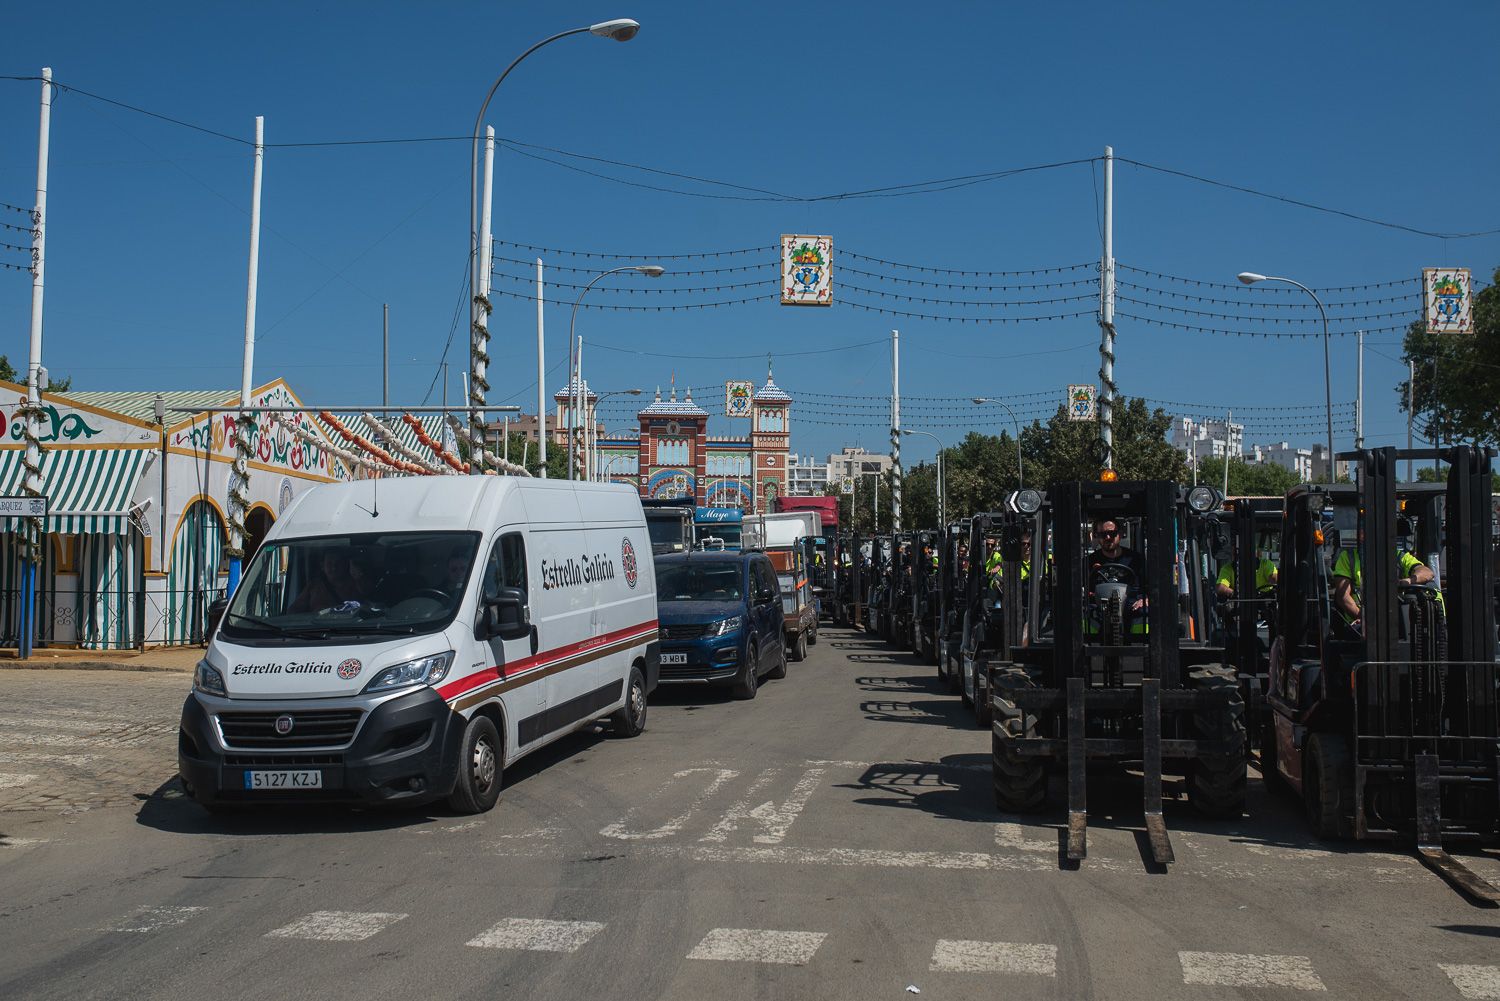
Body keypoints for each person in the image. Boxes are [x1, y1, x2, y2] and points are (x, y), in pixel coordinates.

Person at [1331, 534, 1434, 634]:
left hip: (1393, 620)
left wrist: (1407, 581)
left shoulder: (1399, 557)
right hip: (1360, 621)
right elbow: (1343, 596)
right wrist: (1362, 617)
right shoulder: (1348, 558)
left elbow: (1427, 573)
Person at [290, 549, 366, 613]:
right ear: (322, 566)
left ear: (345, 564)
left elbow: (368, 603)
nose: (334, 567)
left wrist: (359, 578)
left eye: (338, 563)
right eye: (329, 563)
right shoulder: (314, 586)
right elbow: (294, 610)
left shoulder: (356, 583)